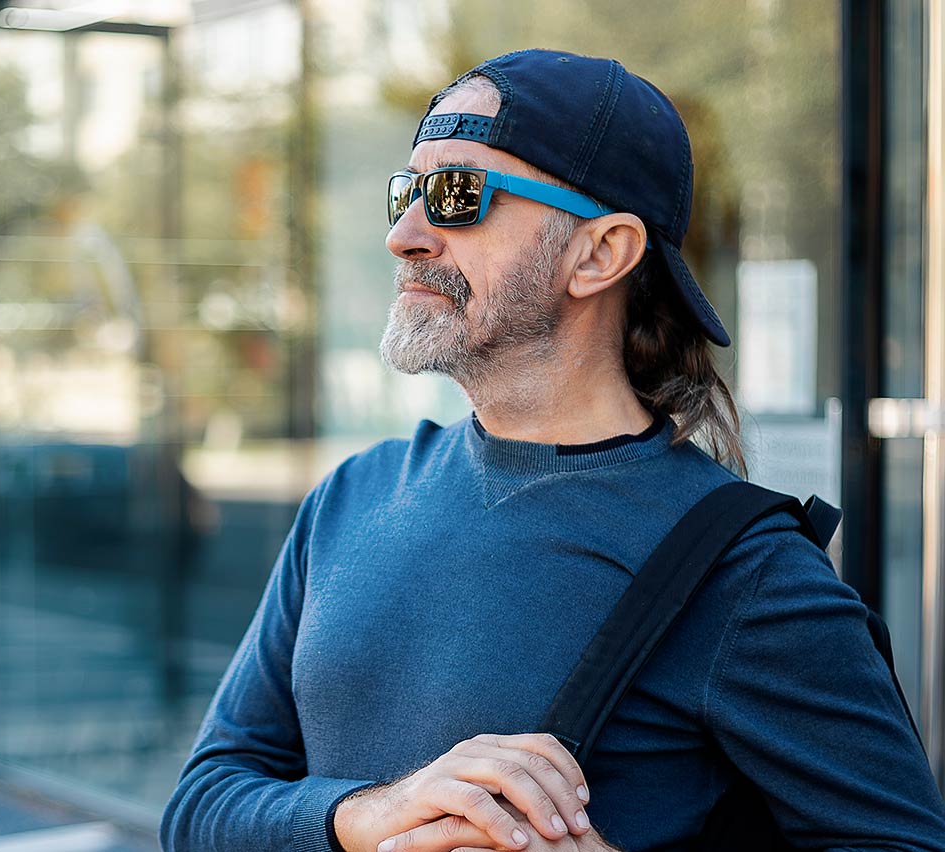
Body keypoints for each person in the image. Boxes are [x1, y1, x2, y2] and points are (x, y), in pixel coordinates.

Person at [158, 48, 945, 852]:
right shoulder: (352, 497)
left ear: (600, 253)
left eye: (456, 196)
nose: (404, 235)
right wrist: (366, 814)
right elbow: (202, 804)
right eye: (408, 192)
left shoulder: (747, 574)